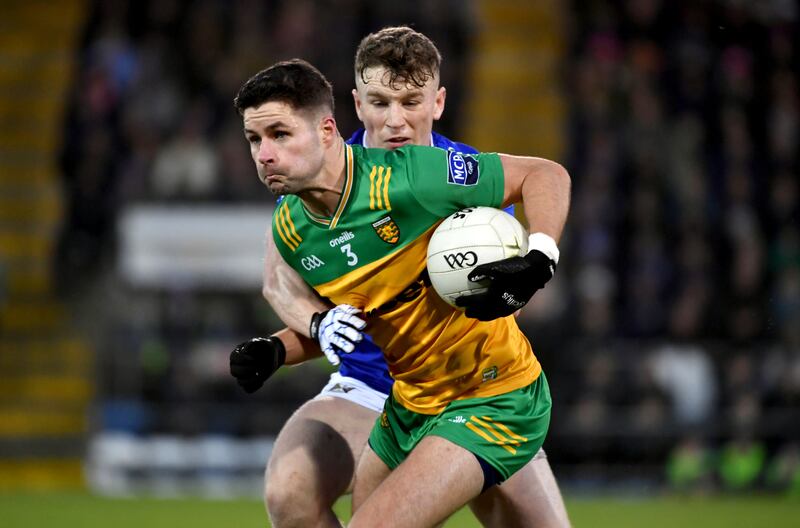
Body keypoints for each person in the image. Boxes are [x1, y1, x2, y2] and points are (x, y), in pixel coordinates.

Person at [232, 27, 570, 527]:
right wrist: (282, 345)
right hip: (383, 389)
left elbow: (543, 182)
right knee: (290, 493)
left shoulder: (449, 177)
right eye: (379, 102)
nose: (395, 120)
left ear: (437, 102)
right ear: (356, 106)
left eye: (410, 101)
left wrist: (536, 263)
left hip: (481, 385)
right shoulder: (312, 193)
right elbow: (330, 302)